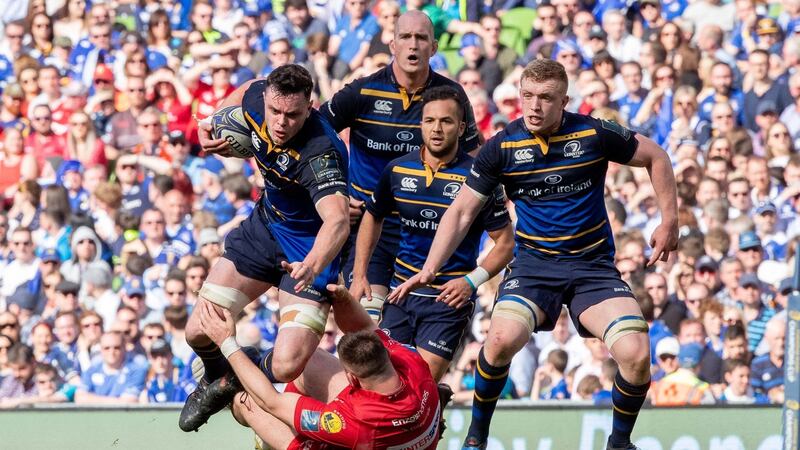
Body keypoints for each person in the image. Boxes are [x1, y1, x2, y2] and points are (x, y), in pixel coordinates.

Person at [391, 59, 678, 450]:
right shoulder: (502, 147)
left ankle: (619, 443)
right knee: (499, 341)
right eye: (527, 96)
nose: (534, 106)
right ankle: (477, 437)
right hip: (534, 267)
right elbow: (460, 212)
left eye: (546, 98)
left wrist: (669, 220)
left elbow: (656, 157)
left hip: (591, 267)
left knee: (636, 352)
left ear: (565, 101)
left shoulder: (593, 133)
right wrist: (430, 268)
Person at [179, 64, 350, 432]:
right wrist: (213, 119)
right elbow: (246, 91)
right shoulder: (260, 97)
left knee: (288, 364)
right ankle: (217, 379)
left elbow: (337, 221)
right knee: (197, 331)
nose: (281, 122)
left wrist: (313, 263)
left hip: (308, 249)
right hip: (266, 229)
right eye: (275, 111)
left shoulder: (321, 152)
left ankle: (245, 367)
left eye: (292, 115)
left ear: (310, 108)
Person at [351, 86, 514, 381]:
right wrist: (360, 272)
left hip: (447, 301)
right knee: (383, 380)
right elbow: (372, 216)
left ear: (462, 127)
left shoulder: (479, 178)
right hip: (401, 294)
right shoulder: (397, 169)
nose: (437, 129)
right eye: (430, 121)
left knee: (420, 381)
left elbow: (505, 243)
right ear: (421, 124)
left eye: (446, 121)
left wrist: (470, 281)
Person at [320, 10, 480, 306]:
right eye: (405, 37)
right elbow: (314, 139)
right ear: (392, 44)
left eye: (421, 38)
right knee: (367, 320)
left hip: (428, 231)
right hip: (370, 227)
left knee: (416, 329)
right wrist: (335, 193)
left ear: (433, 47)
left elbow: (474, 161)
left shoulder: (451, 96)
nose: (413, 45)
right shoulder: (362, 91)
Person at [196, 283, 443, 450]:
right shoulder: (412, 364)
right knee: (307, 359)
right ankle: (274, 397)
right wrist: (342, 299)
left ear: (352, 379)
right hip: (388, 429)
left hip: (359, 437)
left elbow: (272, 401)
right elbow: (367, 329)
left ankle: (264, 435)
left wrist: (227, 344)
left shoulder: (353, 422)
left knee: (246, 404)